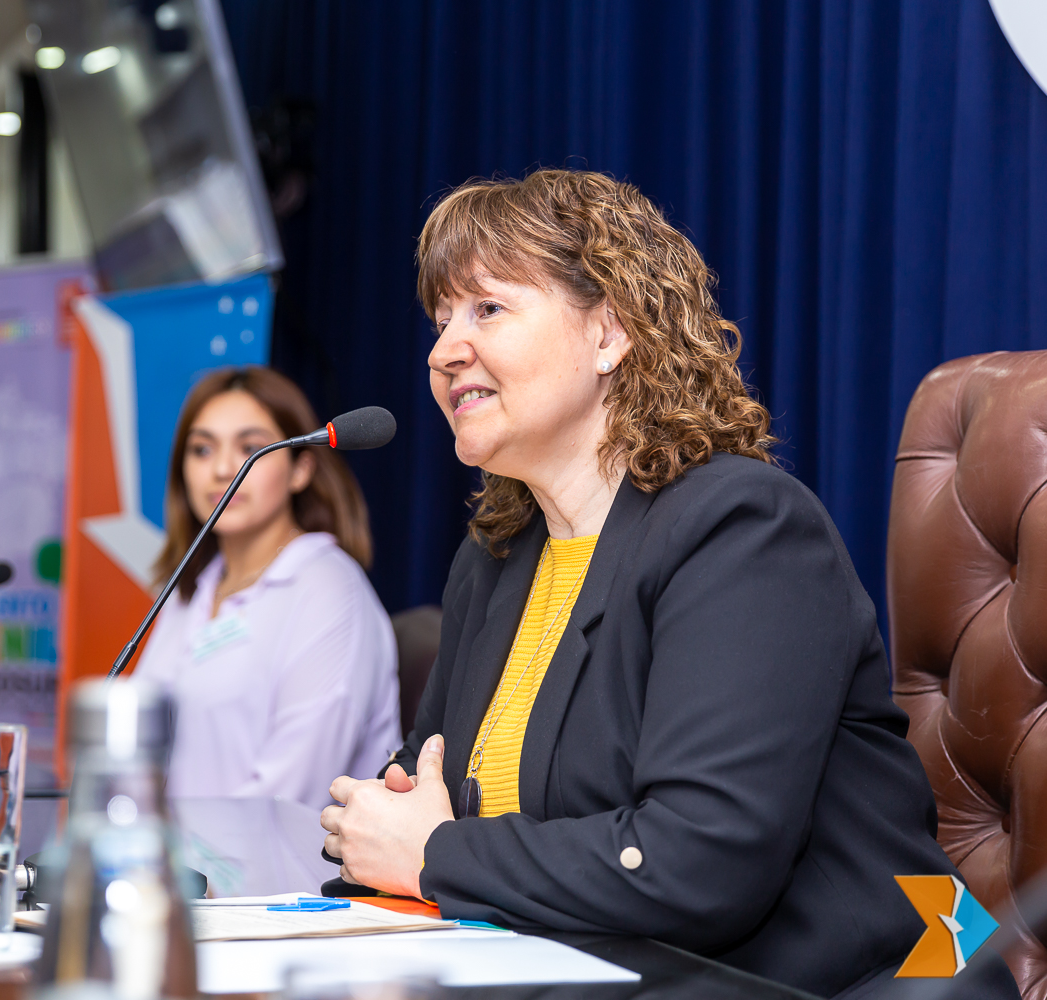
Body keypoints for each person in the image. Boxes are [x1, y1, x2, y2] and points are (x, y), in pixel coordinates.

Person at [317, 170, 1019, 999]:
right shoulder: (497, 556)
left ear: (610, 334)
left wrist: (435, 855)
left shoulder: (745, 528)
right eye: (439, 322)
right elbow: (418, 801)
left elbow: (699, 864)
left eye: (488, 310)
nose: (442, 352)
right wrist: (385, 833)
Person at [134, 367, 400, 812]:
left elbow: (286, 798)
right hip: (180, 868)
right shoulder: (192, 591)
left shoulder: (329, 589)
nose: (221, 469)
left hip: (277, 877)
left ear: (301, 469)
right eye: (202, 449)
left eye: (251, 448)